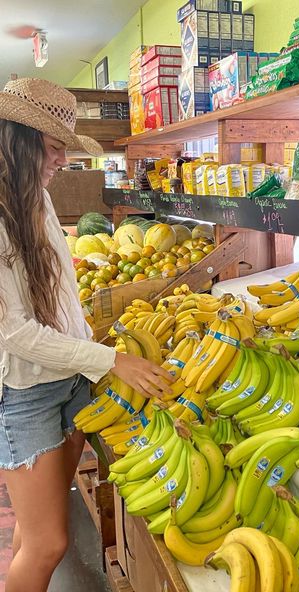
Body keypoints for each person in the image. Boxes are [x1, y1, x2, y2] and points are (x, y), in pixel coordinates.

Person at [0, 78, 175, 592]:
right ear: (19, 140)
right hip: (25, 394)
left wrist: (97, 346)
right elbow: (14, 333)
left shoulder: (38, 196)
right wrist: (109, 359)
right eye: (55, 150)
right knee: (48, 542)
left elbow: (62, 293)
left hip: (71, 381)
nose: (61, 161)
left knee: (37, 533)